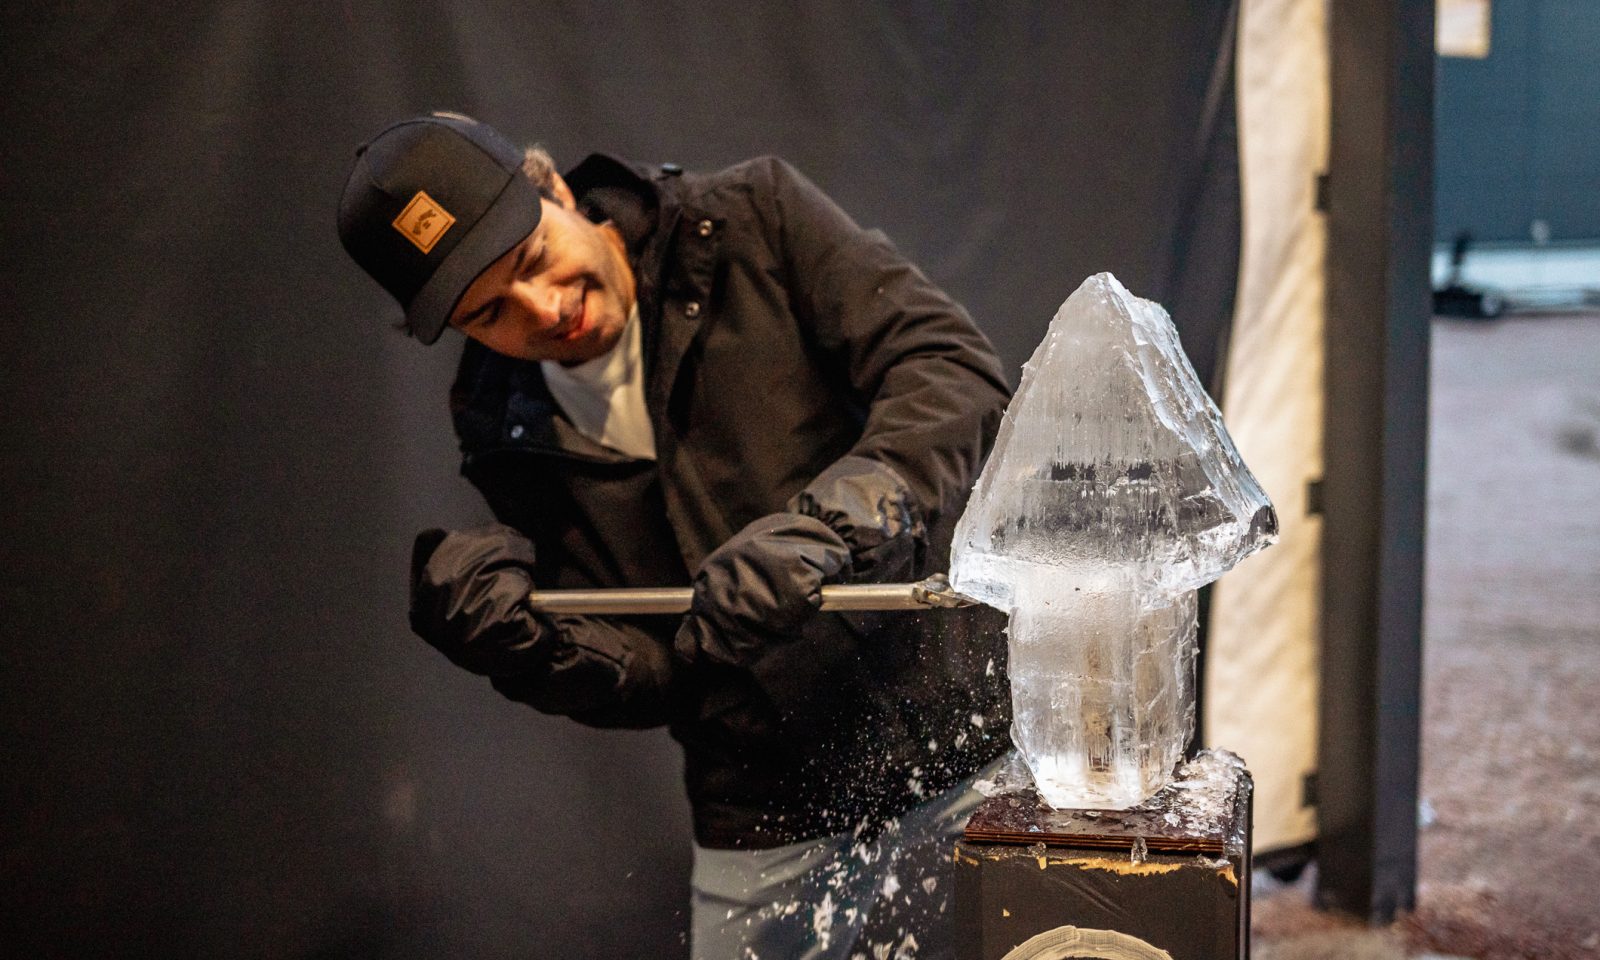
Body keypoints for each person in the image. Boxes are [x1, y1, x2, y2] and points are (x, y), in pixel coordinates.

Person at [337, 112, 1012, 959]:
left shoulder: (749, 219)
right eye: (490, 311)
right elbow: (659, 673)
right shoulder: (498, 420)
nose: (544, 309)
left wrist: (828, 530)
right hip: (762, 807)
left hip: (963, 742)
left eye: (532, 259)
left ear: (555, 191)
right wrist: (532, 648)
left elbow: (952, 371)